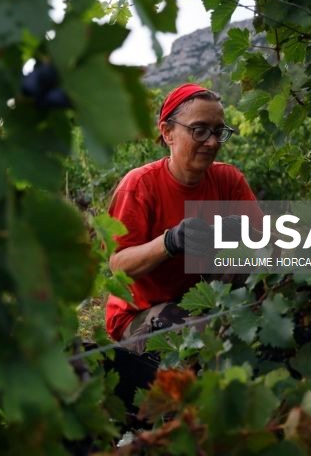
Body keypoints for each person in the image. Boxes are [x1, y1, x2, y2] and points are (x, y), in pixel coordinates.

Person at [106, 83, 259, 353]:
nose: (211, 142)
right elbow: (118, 266)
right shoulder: (140, 185)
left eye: (218, 132)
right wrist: (170, 242)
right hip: (142, 312)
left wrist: (247, 233)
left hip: (201, 296)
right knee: (201, 338)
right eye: (199, 130)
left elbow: (268, 243)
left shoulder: (228, 179)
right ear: (168, 132)